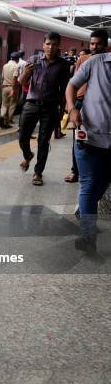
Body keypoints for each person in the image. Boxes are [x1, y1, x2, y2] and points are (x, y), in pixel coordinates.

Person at [65, 49, 111, 253]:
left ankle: (85, 211)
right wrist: (72, 108)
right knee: (89, 184)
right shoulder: (96, 63)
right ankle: (88, 237)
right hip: (89, 135)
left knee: (102, 184)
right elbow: (71, 85)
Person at [17, 32, 71, 186]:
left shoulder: (63, 65)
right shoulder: (33, 60)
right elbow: (21, 82)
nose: (50, 47)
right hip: (31, 104)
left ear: (58, 46)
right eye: (48, 44)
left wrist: (62, 110)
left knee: (43, 141)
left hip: (50, 107)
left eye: (54, 44)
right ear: (43, 45)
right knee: (22, 136)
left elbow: (64, 89)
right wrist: (27, 73)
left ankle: (38, 172)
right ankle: (28, 155)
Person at [64, 30, 108, 184]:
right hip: (81, 101)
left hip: (100, 104)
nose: (95, 47)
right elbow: (73, 84)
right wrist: (70, 108)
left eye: (98, 44)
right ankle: (75, 170)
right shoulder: (84, 59)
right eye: (92, 44)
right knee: (80, 139)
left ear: (106, 45)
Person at [0, 52, 20, 129]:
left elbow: (2, 77)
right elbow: (15, 79)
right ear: (17, 59)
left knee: (4, 104)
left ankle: (2, 116)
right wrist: (13, 89)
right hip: (12, 87)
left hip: (4, 87)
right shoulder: (16, 66)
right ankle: (7, 122)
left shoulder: (5, 65)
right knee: (12, 105)